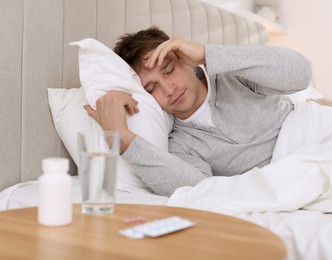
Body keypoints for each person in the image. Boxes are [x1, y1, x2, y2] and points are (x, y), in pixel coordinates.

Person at [84, 26, 312, 196]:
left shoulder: (232, 75)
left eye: (169, 69)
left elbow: (301, 74)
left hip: (316, 136)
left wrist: (206, 54)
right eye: (152, 88)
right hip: (293, 179)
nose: (169, 89)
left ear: (185, 59)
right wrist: (123, 138)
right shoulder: (180, 144)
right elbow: (200, 190)